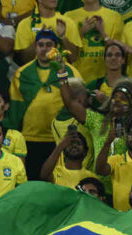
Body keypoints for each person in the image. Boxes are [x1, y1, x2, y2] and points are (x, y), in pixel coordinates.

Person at [10, 30, 83, 180]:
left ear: (56, 48)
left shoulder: (70, 71)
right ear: (35, 47)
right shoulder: (22, 73)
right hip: (30, 139)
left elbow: (79, 104)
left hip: (60, 139)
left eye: (49, 45)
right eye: (40, 45)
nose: (44, 48)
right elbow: (15, 109)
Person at [96, 120, 132, 211]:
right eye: (131, 133)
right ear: (126, 137)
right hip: (121, 219)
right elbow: (100, 170)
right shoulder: (116, 160)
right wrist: (107, 143)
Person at [65, 0, 123, 83]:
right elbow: (69, 56)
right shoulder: (69, 16)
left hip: (105, 80)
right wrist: (81, 32)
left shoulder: (114, 17)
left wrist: (102, 32)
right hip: (77, 79)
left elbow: (118, 53)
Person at [13, 0, 81, 65]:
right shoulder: (25, 24)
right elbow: (25, 60)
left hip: (60, 73)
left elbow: (73, 58)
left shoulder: (68, 22)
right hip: (35, 75)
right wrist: (39, 38)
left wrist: (63, 37)